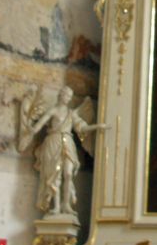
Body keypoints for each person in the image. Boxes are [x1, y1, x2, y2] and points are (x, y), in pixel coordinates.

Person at [24, 86, 107, 217]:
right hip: (53, 142)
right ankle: (56, 207)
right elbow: (39, 125)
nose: (67, 98)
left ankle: (66, 205)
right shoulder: (53, 110)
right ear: (60, 95)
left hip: (68, 143)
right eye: (66, 95)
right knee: (54, 175)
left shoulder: (71, 113)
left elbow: (82, 127)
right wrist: (30, 128)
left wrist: (98, 126)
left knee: (68, 173)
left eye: (69, 96)